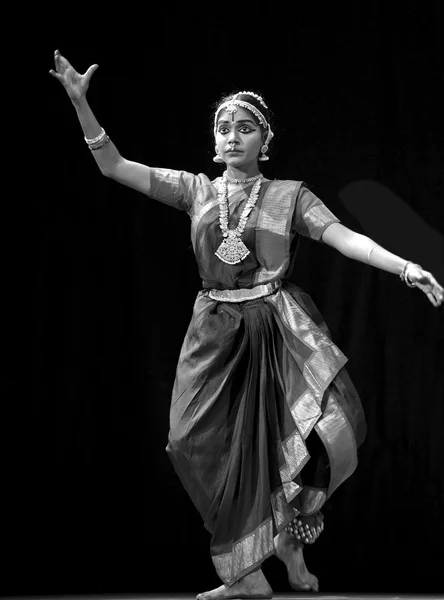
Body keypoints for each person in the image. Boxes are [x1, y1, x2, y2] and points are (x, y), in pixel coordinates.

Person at [49, 50, 444, 598]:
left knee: (321, 432)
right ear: (214, 142)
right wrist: (80, 104)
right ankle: (252, 562)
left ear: (265, 140)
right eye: (223, 128)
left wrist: (404, 266)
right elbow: (114, 166)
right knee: (191, 441)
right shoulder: (195, 191)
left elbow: (343, 237)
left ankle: (280, 550)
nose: (232, 136)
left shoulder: (289, 196)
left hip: (278, 325)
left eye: (245, 128)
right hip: (214, 331)